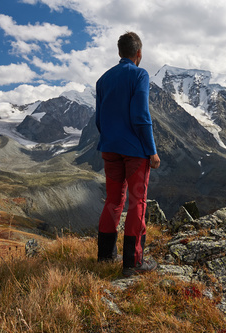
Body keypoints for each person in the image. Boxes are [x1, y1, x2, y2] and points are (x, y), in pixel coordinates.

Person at [95, 31, 160, 277]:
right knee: (137, 203)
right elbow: (141, 116)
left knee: (113, 200)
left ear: (119, 52)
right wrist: (151, 151)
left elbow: (99, 119)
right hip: (135, 152)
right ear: (139, 53)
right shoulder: (140, 75)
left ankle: (105, 256)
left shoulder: (103, 80)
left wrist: (110, 139)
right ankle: (133, 263)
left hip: (109, 149)